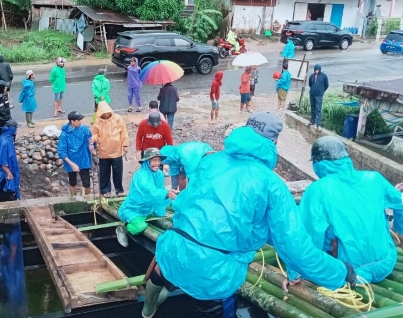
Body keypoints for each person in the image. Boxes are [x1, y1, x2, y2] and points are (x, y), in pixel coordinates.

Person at [145, 112, 356, 318]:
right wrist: (340, 272)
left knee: (165, 274)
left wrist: (292, 267)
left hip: (173, 250)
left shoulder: (209, 161)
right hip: (213, 274)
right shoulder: (271, 183)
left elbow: (184, 204)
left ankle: (148, 310)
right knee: (208, 304)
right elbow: (295, 247)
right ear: (273, 142)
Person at [286, 136, 403, 284]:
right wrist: (402, 230)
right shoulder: (374, 178)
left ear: (318, 163)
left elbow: (308, 234)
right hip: (385, 263)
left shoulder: (318, 190)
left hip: (347, 272)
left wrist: (296, 272)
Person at [116, 148, 178, 247]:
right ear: (146, 161)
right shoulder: (141, 175)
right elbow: (150, 190)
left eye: (158, 160)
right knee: (140, 227)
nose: (157, 163)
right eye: (154, 160)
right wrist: (166, 193)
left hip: (149, 208)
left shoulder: (159, 174)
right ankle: (123, 229)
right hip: (134, 209)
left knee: (161, 214)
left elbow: (159, 190)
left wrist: (162, 205)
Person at [91, 101, 129, 198]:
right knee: (104, 172)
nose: (106, 114)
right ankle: (105, 190)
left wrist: (125, 145)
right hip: (103, 151)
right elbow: (95, 132)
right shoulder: (98, 121)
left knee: (118, 172)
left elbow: (124, 131)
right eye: (103, 113)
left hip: (116, 151)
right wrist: (93, 139)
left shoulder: (117, 118)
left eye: (107, 112)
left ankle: (119, 189)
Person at [57, 111, 93, 200]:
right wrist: (72, 164)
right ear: (72, 121)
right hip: (71, 160)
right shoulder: (64, 135)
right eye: (78, 120)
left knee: (87, 183)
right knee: (72, 183)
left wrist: (92, 145)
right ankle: (73, 198)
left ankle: (87, 200)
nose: (80, 122)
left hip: (83, 159)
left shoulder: (84, 129)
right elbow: (61, 151)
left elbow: (91, 140)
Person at [308, 64, 328, 131]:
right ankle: (312, 121)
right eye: (315, 70)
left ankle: (318, 124)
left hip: (319, 95)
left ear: (320, 70)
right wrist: (313, 89)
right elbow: (310, 84)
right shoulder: (311, 76)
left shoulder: (324, 76)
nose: (316, 71)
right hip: (312, 94)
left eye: (318, 70)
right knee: (312, 108)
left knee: (318, 109)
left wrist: (322, 91)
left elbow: (326, 85)